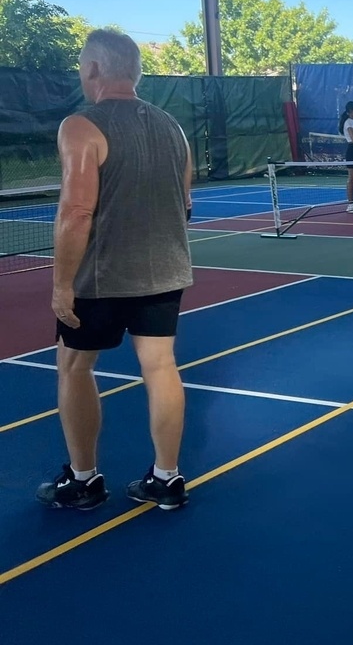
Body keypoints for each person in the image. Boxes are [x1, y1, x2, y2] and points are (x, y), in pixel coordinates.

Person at [38, 28, 194, 511]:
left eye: (83, 65)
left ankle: (83, 481)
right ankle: (166, 480)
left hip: (100, 279)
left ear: (94, 69)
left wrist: (62, 284)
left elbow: (76, 212)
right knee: (161, 367)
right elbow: (185, 204)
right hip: (166, 272)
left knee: (74, 366)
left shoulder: (80, 125)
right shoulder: (174, 127)